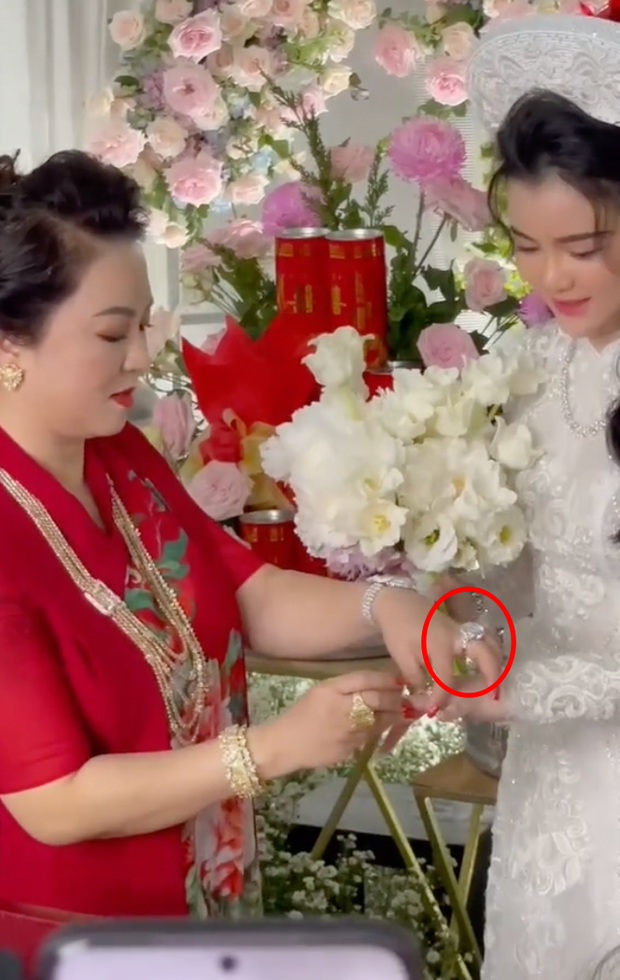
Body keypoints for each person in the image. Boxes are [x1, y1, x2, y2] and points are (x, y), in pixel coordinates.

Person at [0, 148, 499, 957]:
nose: (142, 357)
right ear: (9, 343)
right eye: (112, 333)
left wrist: (389, 605)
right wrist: (270, 749)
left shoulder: (118, 454)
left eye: (144, 326)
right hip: (76, 937)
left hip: (207, 891)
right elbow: (53, 800)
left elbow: (247, 592)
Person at [429, 13, 620, 980]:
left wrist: (534, 688)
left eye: (582, 245)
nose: (550, 277)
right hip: (552, 783)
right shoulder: (529, 365)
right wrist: (463, 615)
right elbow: (512, 560)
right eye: (526, 245)